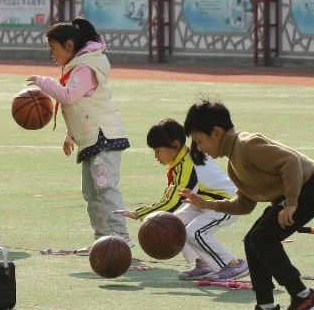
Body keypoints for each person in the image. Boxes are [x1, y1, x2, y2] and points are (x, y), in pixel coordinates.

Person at [179, 100, 314, 310]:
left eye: (200, 141)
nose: (200, 148)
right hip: (296, 194)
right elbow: (244, 204)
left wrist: (290, 203)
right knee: (253, 240)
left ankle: (303, 296)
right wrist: (206, 204)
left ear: (216, 133)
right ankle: (265, 309)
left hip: (309, 188)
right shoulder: (233, 163)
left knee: (262, 239)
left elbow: (290, 163)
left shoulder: (246, 145)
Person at [28, 16, 131, 253]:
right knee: (92, 191)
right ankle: (103, 238)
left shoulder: (86, 67)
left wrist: (43, 82)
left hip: (103, 139)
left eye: (53, 49)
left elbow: (69, 96)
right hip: (92, 140)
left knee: (105, 187)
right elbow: (79, 107)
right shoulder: (79, 66)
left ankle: (120, 235)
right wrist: (70, 135)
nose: (52, 55)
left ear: (69, 46)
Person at [113, 117, 247, 282]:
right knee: (175, 223)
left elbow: (173, 201)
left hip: (225, 203)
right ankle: (203, 263)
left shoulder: (189, 163)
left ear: (175, 145)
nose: (156, 156)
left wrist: (139, 213)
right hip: (203, 202)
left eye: (158, 150)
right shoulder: (180, 162)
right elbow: (172, 198)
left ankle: (233, 264)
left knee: (194, 232)